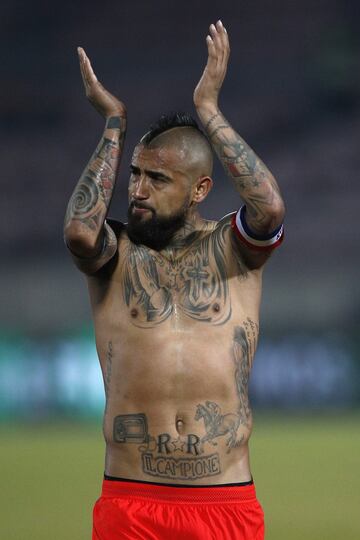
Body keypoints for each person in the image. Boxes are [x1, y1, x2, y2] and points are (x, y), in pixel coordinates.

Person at [64, 19, 285, 540]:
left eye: (156, 178)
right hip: (131, 500)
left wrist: (209, 111)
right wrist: (114, 123)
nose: (137, 189)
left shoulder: (234, 250)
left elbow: (270, 207)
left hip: (226, 504)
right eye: (136, 174)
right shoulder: (116, 254)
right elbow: (78, 232)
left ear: (200, 188)